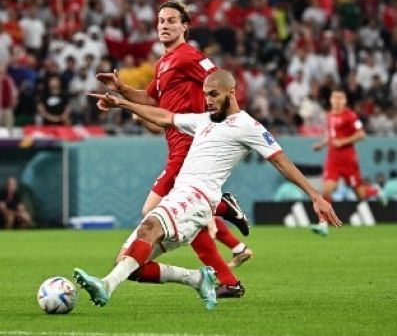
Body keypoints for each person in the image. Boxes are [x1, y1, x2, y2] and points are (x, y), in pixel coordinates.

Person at [75, 70, 342, 309]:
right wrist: (122, 103)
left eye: (214, 94)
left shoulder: (247, 126)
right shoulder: (203, 120)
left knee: (149, 228)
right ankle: (196, 278)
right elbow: (165, 117)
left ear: (231, 92)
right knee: (128, 265)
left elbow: (281, 162)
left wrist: (315, 196)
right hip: (180, 195)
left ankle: (105, 287)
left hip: (198, 198)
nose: (208, 100)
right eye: (205, 95)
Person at [95, 0, 251, 297]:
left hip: (191, 148)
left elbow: (219, 81)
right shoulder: (163, 63)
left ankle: (221, 207)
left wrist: (228, 125)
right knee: (188, 224)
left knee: (151, 211)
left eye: (170, 20)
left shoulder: (190, 56)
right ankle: (228, 281)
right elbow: (151, 100)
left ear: (184, 27)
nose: (164, 25)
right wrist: (120, 88)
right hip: (176, 147)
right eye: (160, 21)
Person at [311, 90, 366, 236]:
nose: (337, 100)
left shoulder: (350, 116)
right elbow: (331, 136)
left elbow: (361, 134)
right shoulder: (329, 115)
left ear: (345, 100)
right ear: (330, 100)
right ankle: (323, 224)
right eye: (334, 97)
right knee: (326, 190)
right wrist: (321, 145)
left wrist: (343, 141)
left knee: (361, 194)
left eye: (340, 98)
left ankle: (377, 192)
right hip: (333, 158)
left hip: (348, 159)